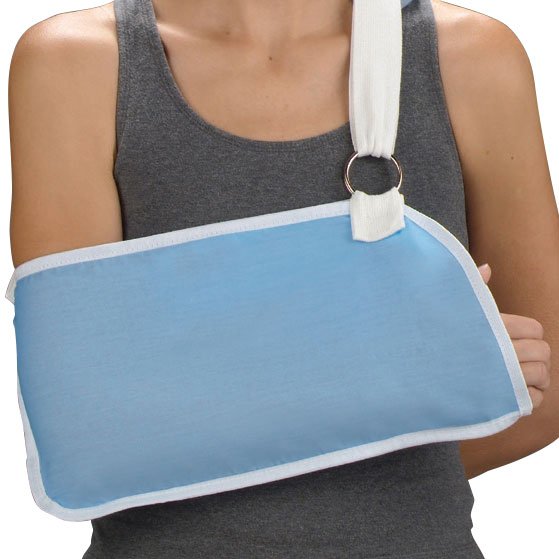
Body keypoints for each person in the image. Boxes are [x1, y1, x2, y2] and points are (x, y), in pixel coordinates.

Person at [7, 0, 557, 557]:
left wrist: (279, 402)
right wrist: (393, 373)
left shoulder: (469, 56)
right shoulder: (78, 62)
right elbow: (84, 429)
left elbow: (546, 387)